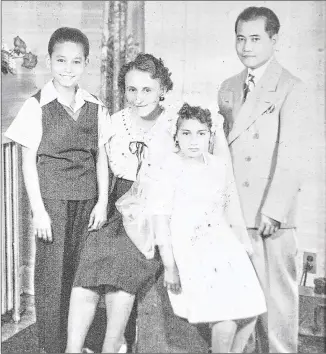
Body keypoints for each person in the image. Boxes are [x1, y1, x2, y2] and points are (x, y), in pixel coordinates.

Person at [117, 103, 266, 353]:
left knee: (253, 311)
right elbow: (160, 219)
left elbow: (228, 207)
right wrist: (170, 266)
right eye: (186, 133)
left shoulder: (218, 166)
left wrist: (241, 244)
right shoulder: (169, 168)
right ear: (175, 136)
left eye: (201, 133)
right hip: (191, 247)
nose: (194, 140)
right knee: (227, 319)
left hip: (223, 243)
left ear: (210, 135)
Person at [4, 27, 109, 353]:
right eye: (61, 60)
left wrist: (103, 202)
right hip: (51, 204)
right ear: (50, 61)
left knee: (83, 277)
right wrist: (38, 211)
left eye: (76, 61)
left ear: (86, 64)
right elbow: (27, 163)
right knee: (52, 279)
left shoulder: (95, 105)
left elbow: (101, 157)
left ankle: (77, 343)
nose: (68, 68)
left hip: (87, 201)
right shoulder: (35, 107)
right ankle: (52, 346)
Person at [65, 53, 177, 354]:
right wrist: (102, 203)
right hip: (117, 204)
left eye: (147, 90)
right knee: (89, 263)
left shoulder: (175, 125)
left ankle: (111, 346)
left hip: (155, 213)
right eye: (131, 89)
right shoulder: (115, 121)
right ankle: (72, 350)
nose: (138, 98)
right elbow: (104, 167)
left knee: (123, 267)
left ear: (162, 89)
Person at [218, 6, 311, 353]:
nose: (246, 47)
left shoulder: (291, 88)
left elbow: (293, 158)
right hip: (235, 216)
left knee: (277, 310)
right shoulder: (228, 87)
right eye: (240, 38)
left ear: (274, 39)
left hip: (269, 217)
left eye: (255, 38)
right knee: (242, 308)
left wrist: (273, 211)